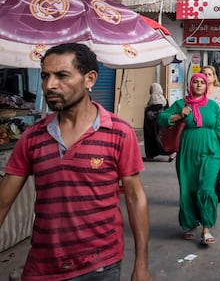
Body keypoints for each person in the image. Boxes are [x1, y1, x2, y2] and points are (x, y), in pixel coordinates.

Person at [0, 43, 152, 280]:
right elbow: (3, 202)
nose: (49, 85)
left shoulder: (119, 132)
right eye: (45, 76)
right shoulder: (32, 137)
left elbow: (135, 197)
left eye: (62, 76)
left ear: (89, 79)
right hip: (42, 266)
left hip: (101, 266)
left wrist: (141, 264)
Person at [159, 72, 220, 246]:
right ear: (190, 85)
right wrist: (179, 115)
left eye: (202, 82)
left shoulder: (214, 106)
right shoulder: (181, 104)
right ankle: (190, 224)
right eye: (195, 82)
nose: (199, 85)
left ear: (206, 86)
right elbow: (161, 119)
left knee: (206, 189)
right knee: (188, 189)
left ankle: (206, 228)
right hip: (187, 153)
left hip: (211, 152)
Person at [143, 82, 173, 161]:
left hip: (151, 126)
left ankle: (150, 155)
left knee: (150, 139)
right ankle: (171, 153)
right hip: (162, 125)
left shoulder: (151, 102)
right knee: (163, 139)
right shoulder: (164, 101)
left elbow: (148, 115)